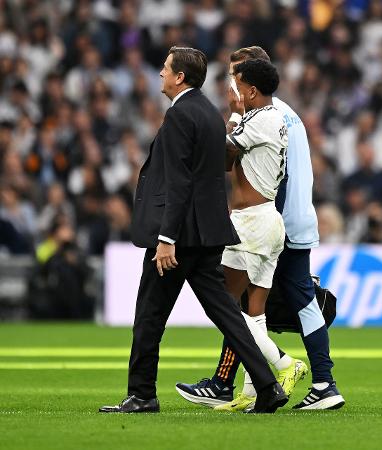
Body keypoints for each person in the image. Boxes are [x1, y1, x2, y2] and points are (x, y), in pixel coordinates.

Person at [99, 47, 287, 414]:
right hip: (208, 234)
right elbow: (213, 174)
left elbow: (179, 182)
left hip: (179, 236)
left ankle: (141, 394)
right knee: (227, 314)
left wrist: (166, 239)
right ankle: (267, 386)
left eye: (166, 69)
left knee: (150, 314)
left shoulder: (180, 116)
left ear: (180, 77)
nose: (160, 75)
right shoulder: (210, 114)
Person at [177, 46, 345, 411]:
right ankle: (264, 388)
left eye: (235, 77)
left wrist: (229, 120)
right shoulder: (288, 115)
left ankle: (274, 370)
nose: (230, 85)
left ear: (253, 83)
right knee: (261, 307)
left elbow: (228, 158)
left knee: (227, 301)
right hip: (282, 218)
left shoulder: (266, 117)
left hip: (267, 219)